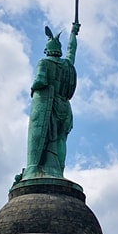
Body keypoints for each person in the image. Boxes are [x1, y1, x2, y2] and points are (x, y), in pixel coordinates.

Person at [23, 20, 80, 178]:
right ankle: (58, 171)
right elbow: (72, 51)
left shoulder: (44, 63)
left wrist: (33, 89)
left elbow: (40, 81)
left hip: (49, 105)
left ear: (47, 50)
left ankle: (39, 167)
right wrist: (73, 33)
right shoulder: (67, 65)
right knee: (61, 139)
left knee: (44, 137)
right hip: (65, 107)